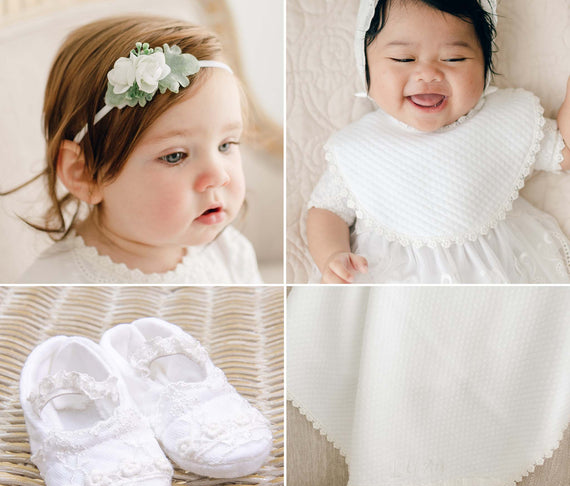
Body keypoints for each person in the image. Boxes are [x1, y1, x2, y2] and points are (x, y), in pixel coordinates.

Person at [306, 0, 570, 284]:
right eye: (404, 59)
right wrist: (332, 256)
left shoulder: (500, 121)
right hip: (391, 281)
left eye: (454, 58)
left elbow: (564, 152)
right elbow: (326, 210)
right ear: (366, 67)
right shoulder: (361, 147)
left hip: (497, 276)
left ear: (485, 68)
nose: (428, 74)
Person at [15, 15, 262, 283]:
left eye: (226, 145)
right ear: (83, 172)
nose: (219, 176)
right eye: (174, 156)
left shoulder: (230, 253)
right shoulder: (52, 284)